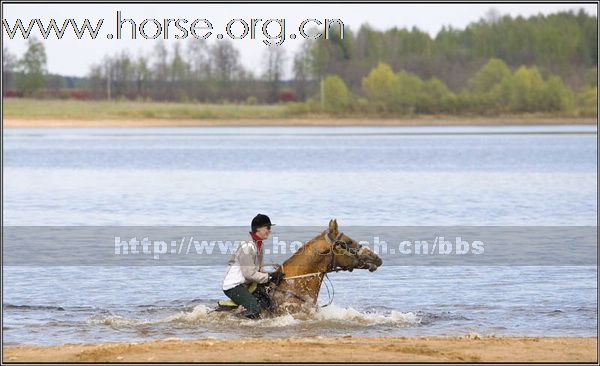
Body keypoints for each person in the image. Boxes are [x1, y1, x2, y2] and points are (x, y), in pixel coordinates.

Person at [222, 214, 285, 318]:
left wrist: (272, 274)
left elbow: (258, 269)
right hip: (233, 286)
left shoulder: (260, 244)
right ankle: (231, 321)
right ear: (258, 229)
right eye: (268, 228)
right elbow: (249, 274)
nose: (270, 231)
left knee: (268, 304)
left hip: (247, 283)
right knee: (255, 310)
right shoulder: (247, 246)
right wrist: (269, 277)